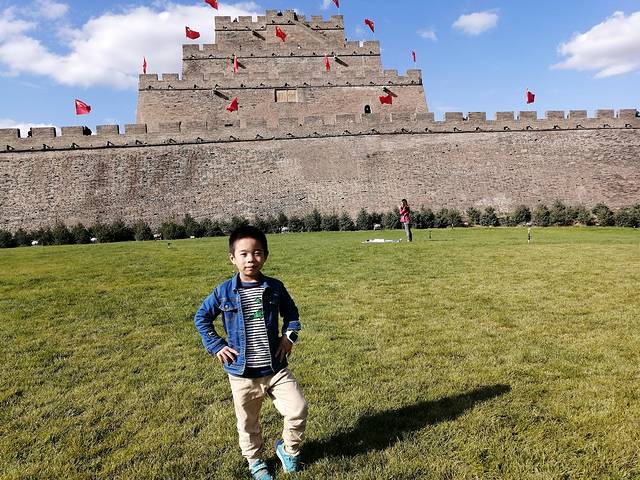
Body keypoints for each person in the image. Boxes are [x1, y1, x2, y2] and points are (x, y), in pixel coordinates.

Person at [194, 226, 307, 480]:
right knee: (248, 423)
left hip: (275, 368)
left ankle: (289, 450)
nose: (250, 259)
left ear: (265, 255)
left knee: (298, 409)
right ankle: (255, 461)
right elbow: (202, 317)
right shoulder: (223, 291)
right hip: (242, 373)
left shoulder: (275, 287)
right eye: (243, 254)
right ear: (232, 258)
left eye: (257, 253)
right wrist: (216, 345)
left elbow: (292, 314)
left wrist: (289, 336)